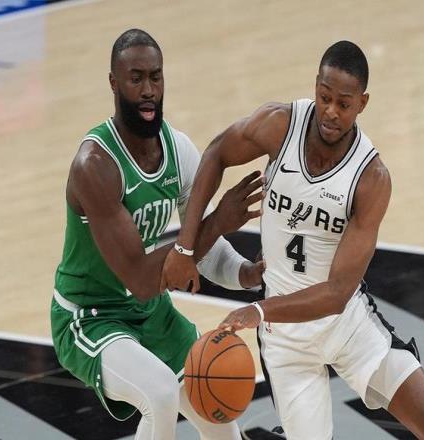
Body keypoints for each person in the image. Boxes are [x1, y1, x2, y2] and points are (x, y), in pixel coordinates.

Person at [161, 41, 424, 439]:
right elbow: (217, 152)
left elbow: (336, 293)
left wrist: (259, 311)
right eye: (324, 97)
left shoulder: (370, 178)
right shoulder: (279, 125)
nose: (331, 111)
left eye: (344, 104)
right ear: (316, 86)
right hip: (286, 343)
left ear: (362, 103)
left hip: (346, 325)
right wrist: (185, 246)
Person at [50, 29, 265, 440]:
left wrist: (245, 274)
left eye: (155, 77)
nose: (148, 90)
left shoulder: (178, 150)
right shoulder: (95, 166)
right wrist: (218, 221)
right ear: (114, 83)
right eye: (136, 79)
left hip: (151, 313)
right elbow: (142, 279)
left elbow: (198, 247)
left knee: (219, 417)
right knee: (161, 394)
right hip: (90, 316)